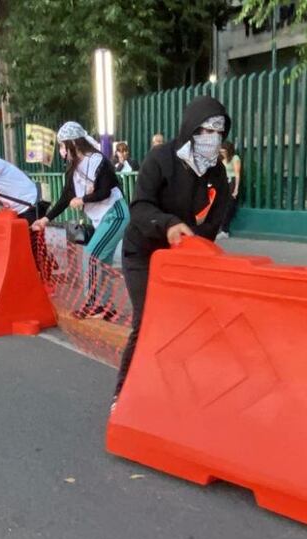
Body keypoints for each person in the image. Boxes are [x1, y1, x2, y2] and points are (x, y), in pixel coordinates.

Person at [113, 96, 234, 403]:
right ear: (190, 128)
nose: (212, 138)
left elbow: (213, 221)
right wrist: (167, 224)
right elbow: (139, 207)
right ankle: (123, 395)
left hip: (181, 257)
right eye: (206, 130)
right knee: (146, 320)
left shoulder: (216, 172)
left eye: (219, 132)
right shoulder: (161, 158)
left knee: (188, 322)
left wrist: (202, 249)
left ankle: (174, 389)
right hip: (143, 251)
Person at [33, 122, 130, 320]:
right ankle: (106, 307)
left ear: (74, 143)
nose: (61, 150)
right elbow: (65, 198)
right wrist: (45, 219)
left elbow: (105, 191)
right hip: (103, 219)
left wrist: (83, 199)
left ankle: (94, 304)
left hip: (115, 214)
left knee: (91, 256)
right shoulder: (73, 169)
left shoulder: (97, 161)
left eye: (62, 145)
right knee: (102, 263)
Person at [217, 142, 242, 239]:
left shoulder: (235, 158)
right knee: (221, 206)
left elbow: (237, 174)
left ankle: (225, 230)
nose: (221, 151)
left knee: (229, 206)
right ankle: (221, 229)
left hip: (231, 182)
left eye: (223, 149)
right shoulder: (222, 159)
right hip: (224, 183)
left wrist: (236, 189)